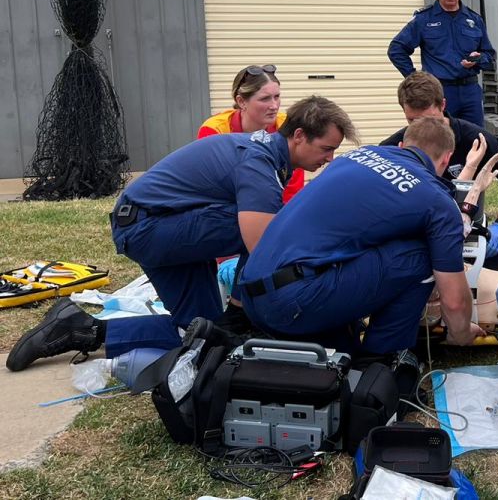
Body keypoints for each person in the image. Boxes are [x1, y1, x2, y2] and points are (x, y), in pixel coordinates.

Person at [6, 97, 355, 372]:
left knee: (203, 335)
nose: (329, 158)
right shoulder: (259, 163)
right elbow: (263, 246)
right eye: (326, 148)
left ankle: (79, 329)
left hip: (156, 225)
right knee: (276, 226)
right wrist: (250, 304)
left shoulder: (261, 151)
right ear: (298, 136)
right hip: (149, 227)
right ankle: (237, 311)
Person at [238, 117, 485, 355]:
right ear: (447, 159)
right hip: (292, 303)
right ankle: (382, 359)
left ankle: (342, 340)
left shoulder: (356, 156)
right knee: (422, 254)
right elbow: (453, 301)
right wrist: (461, 333)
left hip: (250, 293)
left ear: (401, 146)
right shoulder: (436, 201)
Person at [381, 71, 498, 270]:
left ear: (442, 105)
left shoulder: (476, 139)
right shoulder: (394, 148)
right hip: (419, 239)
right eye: (412, 122)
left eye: (429, 120)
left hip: (469, 229)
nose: (422, 130)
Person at [387, 0, 496, 126]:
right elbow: (396, 50)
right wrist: (415, 79)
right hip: (439, 92)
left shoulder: (474, 20)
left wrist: (478, 59)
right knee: (439, 139)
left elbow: (489, 54)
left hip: (470, 91)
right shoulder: (423, 19)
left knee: (475, 138)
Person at [198, 64, 305, 203]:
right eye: (265, 98)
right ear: (241, 101)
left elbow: (293, 188)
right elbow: (211, 186)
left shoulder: (287, 125)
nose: (274, 106)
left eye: (277, 97)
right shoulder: (214, 130)